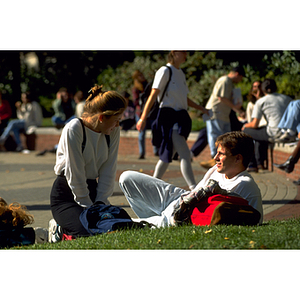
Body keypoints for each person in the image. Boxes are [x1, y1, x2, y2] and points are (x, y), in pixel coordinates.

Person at [119, 131, 263, 227]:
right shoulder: (216, 170)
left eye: (221, 154)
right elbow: (195, 192)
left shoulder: (246, 186)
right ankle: (153, 220)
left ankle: (155, 223)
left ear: (238, 158)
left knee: (125, 223)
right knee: (126, 178)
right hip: (178, 199)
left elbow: (255, 219)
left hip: (182, 215)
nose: (215, 158)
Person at [49, 84, 127, 240]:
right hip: (67, 194)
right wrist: (88, 208)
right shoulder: (74, 129)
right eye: (116, 120)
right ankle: (58, 227)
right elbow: (75, 173)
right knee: (86, 234)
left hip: (93, 191)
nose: (118, 124)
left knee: (118, 227)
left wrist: (100, 202)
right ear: (101, 117)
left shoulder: (112, 131)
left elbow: (108, 170)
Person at [136, 51, 208, 190]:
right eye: (183, 51)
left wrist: (201, 109)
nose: (186, 54)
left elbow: (183, 99)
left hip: (180, 117)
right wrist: (143, 118)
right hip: (168, 117)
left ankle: (152, 185)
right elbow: (153, 95)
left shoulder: (180, 73)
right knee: (185, 154)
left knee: (167, 155)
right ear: (174, 53)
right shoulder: (164, 70)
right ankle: (194, 189)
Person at [200, 66, 246, 169]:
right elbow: (222, 97)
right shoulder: (225, 80)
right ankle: (214, 159)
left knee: (224, 137)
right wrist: (237, 109)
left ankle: (221, 159)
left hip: (222, 114)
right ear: (237, 74)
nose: (240, 80)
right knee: (216, 136)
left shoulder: (229, 82)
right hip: (215, 113)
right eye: (241, 78)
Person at [243, 78, 292, 171]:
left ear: (262, 89)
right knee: (259, 136)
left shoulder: (261, 101)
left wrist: (245, 126)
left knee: (246, 131)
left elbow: (254, 125)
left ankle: (252, 164)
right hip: (290, 132)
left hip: (274, 132)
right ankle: (259, 164)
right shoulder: (287, 98)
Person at [132, 70, 158, 159]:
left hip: (150, 112)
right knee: (141, 134)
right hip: (140, 113)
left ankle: (156, 151)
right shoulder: (135, 89)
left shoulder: (148, 86)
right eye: (140, 76)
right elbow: (135, 102)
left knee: (154, 131)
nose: (142, 77)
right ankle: (142, 153)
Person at [245, 81, 268, 171]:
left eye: (258, 86)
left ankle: (257, 164)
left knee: (258, 140)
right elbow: (250, 120)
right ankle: (255, 164)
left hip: (264, 127)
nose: (256, 88)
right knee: (252, 139)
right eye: (254, 87)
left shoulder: (265, 100)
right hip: (255, 127)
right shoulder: (251, 104)